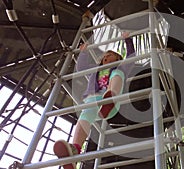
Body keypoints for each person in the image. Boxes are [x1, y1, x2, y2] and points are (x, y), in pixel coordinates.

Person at [53, 32, 135, 169]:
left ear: (118, 58)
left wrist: (128, 40)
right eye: (105, 55)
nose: (107, 56)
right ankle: (74, 152)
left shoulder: (120, 68)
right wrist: (84, 52)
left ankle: (111, 97)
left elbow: (131, 57)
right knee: (85, 115)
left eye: (111, 54)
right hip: (93, 100)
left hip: (110, 102)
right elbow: (81, 68)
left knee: (118, 73)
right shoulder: (95, 69)